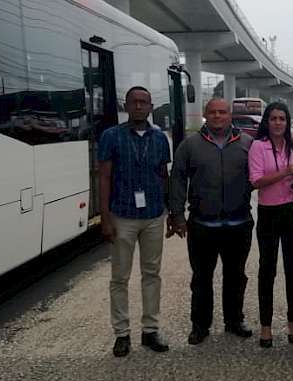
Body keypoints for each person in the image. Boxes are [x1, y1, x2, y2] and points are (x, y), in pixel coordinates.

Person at [169, 98, 254, 344]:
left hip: (239, 223)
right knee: (201, 278)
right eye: (213, 112)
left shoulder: (247, 143)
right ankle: (200, 325)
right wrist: (177, 215)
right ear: (206, 114)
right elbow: (177, 179)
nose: (218, 116)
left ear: (230, 115)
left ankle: (234, 320)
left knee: (236, 276)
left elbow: (261, 174)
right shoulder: (190, 145)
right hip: (202, 225)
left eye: (223, 112)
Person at [98, 86, 171, 358]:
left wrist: (170, 212)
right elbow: (104, 177)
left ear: (151, 106)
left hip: (153, 215)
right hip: (122, 215)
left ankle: (150, 330)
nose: (139, 106)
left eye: (144, 102)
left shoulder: (160, 138)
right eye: (134, 102)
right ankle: (122, 333)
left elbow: (163, 175)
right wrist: (105, 218)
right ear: (126, 106)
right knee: (120, 277)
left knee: (152, 274)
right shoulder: (111, 136)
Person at [248, 102, 293, 348]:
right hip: (268, 212)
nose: (278, 123)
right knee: (267, 270)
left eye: (282, 118)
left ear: (287, 122)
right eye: (273, 118)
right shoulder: (258, 146)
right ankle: (266, 326)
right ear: (267, 122)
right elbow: (256, 181)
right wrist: (286, 171)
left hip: (291, 210)